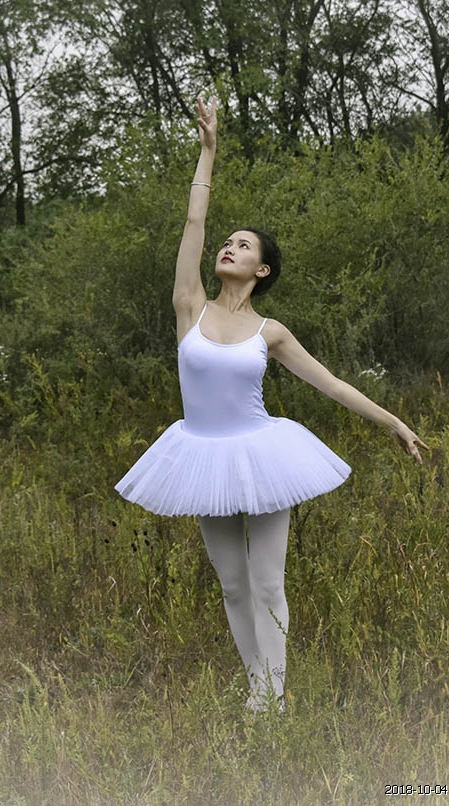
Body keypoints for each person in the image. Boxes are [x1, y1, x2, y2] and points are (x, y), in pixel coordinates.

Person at [115, 97, 427, 713]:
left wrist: (393, 422)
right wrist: (208, 151)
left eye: (244, 245)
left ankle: (272, 703)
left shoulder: (270, 332)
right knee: (233, 587)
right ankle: (259, 693)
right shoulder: (190, 306)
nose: (229, 248)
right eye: (228, 242)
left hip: (263, 455)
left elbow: (331, 384)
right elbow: (193, 223)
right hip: (201, 455)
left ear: (261, 270)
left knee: (266, 583)